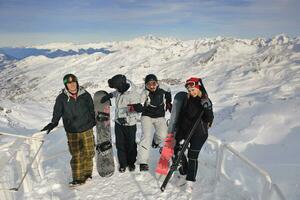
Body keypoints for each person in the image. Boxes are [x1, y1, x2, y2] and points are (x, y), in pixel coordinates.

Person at [41, 74, 96, 187]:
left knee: (89, 152)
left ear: (77, 82)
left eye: (74, 82)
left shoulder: (85, 95)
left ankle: (87, 174)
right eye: (69, 83)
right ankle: (78, 178)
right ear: (66, 85)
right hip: (72, 131)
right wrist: (53, 123)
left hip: (86, 129)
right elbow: (57, 112)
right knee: (76, 155)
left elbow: (91, 109)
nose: (72, 85)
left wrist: (93, 121)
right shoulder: (61, 98)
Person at [174, 77, 214, 192]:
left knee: (192, 156)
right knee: (177, 150)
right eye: (189, 90)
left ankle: (190, 181)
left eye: (193, 89)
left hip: (199, 133)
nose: (192, 92)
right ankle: (184, 172)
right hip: (186, 131)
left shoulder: (205, 100)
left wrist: (208, 109)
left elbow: (209, 119)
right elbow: (183, 117)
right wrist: (179, 135)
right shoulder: (188, 99)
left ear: (198, 87)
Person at [100, 74, 140, 173]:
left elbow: (134, 109)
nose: (116, 89)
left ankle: (131, 163)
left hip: (130, 123)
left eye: (117, 87)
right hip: (119, 123)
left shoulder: (133, 94)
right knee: (120, 144)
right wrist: (109, 95)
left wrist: (126, 117)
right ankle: (123, 164)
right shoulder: (120, 90)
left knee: (130, 144)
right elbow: (116, 93)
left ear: (122, 85)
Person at [135, 74, 172, 171]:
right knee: (146, 136)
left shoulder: (163, 88)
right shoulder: (144, 93)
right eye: (148, 84)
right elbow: (141, 103)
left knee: (163, 135)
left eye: (153, 83)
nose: (151, 86)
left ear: (157, 83)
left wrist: (168, 102)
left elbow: (168, 91)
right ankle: (142, 161)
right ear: (146, 85)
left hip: (159, 115)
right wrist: (139, 107)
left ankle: (155, 141)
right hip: (147, 115)